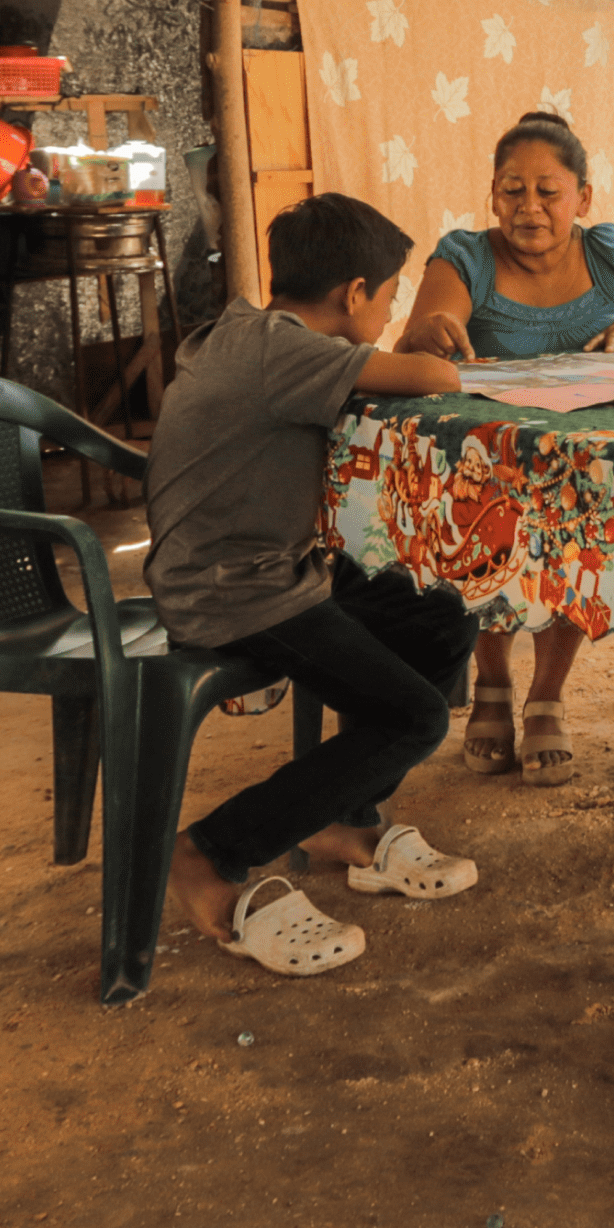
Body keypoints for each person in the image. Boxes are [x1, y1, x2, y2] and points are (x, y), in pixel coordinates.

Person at [149, 193, 482, 979]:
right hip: (236, 592)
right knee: (415, 717)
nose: (395, 305)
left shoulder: (251, 332)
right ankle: (209, 853)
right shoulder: (285, 351)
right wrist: (426, 346)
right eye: (393, 292)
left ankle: (341, 819)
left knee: (439, 615)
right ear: (355, 294)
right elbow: (436, 376)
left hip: (264, 571)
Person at [395, 111, 614, 783]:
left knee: (579, 518)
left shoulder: (610, 254)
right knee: (492, 515)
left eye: (547, 191)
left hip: (586, 472)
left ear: (583, 199)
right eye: (511, 190)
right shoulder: (466, 256)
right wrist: (435, 327)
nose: (527, 207)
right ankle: (494, 684)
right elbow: (421, 334)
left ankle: (548, 694)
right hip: (489, 472)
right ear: (492, 195)